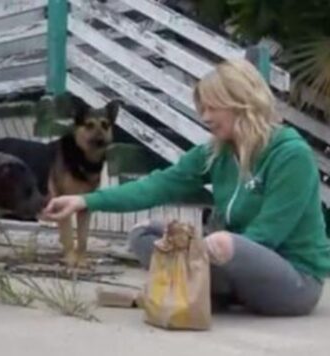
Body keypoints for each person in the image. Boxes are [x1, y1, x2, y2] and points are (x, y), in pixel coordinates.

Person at [41, 58, 330, 316]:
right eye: (201, 108)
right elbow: (157, 185)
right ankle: (209, 289)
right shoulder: (217, 152)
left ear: (242, 102)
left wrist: (198, 254)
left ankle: (197, 284)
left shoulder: (291, 155)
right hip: (233, 269)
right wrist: (85, 202)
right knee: (146, 233)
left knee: (221, 242)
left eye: (212, 107)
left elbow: (267, 235)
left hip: (294, 282)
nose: (204, 116)